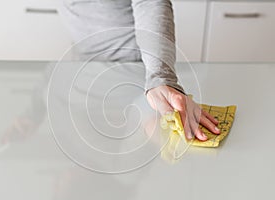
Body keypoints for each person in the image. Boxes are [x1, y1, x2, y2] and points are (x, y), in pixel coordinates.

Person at [58, 0, 220, 141]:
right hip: (88, 70)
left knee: (156, 129)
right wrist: (35, 112)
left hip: (137, 72)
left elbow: (150, 3)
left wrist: (161, 78)